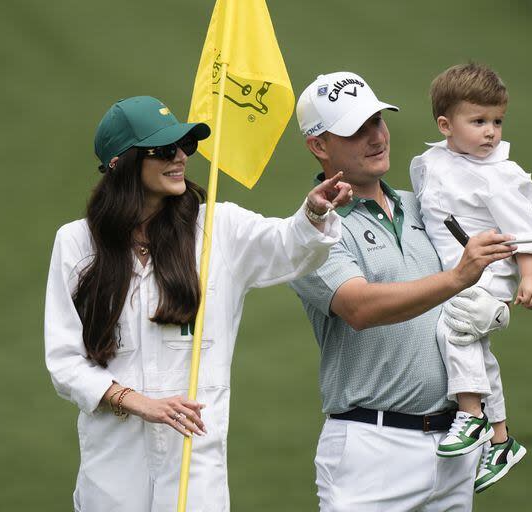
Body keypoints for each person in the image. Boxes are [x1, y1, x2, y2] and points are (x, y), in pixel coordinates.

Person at [44, 95, 351, 512]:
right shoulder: (76, 242)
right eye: (163, 149)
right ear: (122, 163)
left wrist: (313, 214)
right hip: (111, 468)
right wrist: (137, 402)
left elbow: (288, 247)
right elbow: (65, 362)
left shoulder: (217, 228)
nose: (180, 157)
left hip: (194, 468)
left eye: (184, 146)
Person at [290, 71, 517, 511]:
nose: (376, 137)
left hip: (453, 444)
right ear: (319, 145)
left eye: (378, 120)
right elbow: (358, 307)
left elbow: (474, 284)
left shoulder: (424, 204)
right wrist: (457, 279)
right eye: (356, 130)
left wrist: (496, 298)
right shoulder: (311, 232)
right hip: (371, 449)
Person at [410, 62, 532, 492]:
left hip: (487, 277)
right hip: (454, 275)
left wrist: (530, 277)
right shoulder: (431, 162)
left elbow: (523, 230)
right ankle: (502, 440)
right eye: (479, 121)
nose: (491, 131)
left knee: (457, 328)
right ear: (446, 125)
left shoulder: (501, 175)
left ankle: (471, 416)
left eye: (497, 121)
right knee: (477, 349)